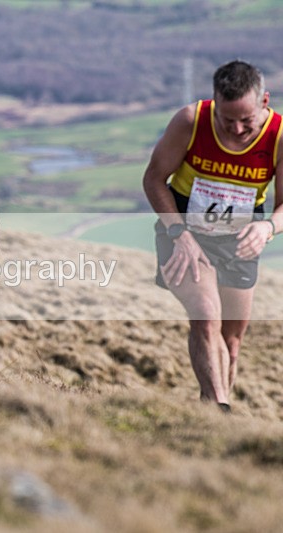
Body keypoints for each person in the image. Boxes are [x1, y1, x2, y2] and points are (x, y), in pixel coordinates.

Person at [143, 60, 283, 412]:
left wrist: (268, 227)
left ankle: (217, 416)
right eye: (226, 119)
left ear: (264, 101)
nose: (237, 129)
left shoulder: (279, 136)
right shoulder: (191, 121)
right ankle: (218, 406)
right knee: (206, 316)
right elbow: (154, 179)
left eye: (246, 120)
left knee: (231, 342)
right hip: (184, 234)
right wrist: (179, 233)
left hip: (240, 240)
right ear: (214, 103)